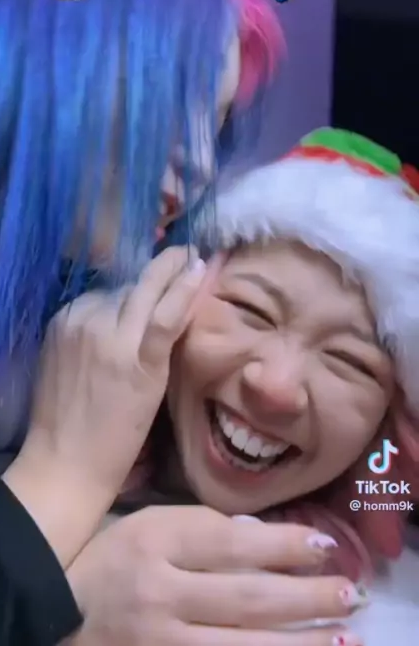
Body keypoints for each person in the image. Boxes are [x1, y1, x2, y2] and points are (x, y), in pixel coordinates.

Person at [0, 0, 285, 644]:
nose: (202, 164)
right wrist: (58, 493)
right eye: (177, 97)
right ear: (41, 53)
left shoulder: (45, 317)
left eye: (216, 123)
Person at [66, 127, 419, 646]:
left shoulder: (396, 611)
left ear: (386, 428)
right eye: (252, 310)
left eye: (347, 362)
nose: (276, 387)